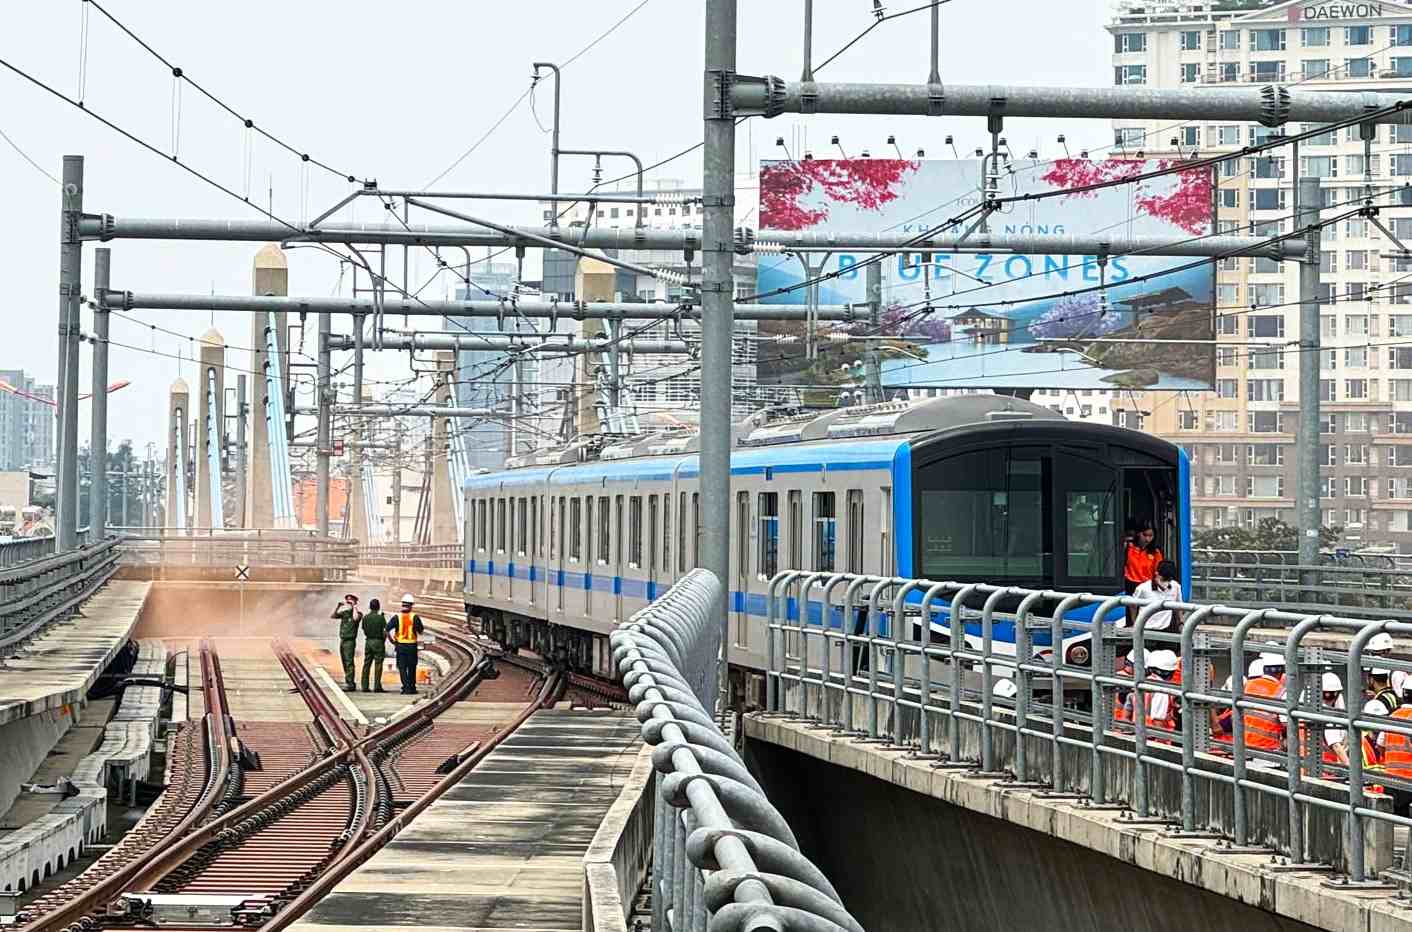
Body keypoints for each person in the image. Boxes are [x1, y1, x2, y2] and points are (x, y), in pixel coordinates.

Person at [1122, 519, 1162, 623]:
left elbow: (1158, 571)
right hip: (1130, 585)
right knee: (1130, 615)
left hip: (1146, 587)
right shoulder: (1128, 547)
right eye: (1145, 535)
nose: (1148, 539)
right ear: (1138, 534)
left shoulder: (1155, 552)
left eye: (1151, 536)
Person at [388, 592, 425, 695]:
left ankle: (405, 688)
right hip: (412, 646)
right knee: (412, 667)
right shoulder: (415, 617)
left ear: (402, 604)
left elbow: (386, 629)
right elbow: (421, 631)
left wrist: (392, 641)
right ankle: (412, 688)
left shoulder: (397, 617)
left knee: (402, 667)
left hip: (400, 646)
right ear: (411, 605)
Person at [1132, 560, 1183, 633]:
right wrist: (1135, 624)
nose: (1166, 583)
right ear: (1157, 574)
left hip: (1167, 628)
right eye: (1164, 579)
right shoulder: (1143, 588)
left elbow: (1179, 606)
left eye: (1169, 580)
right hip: (1146, 628)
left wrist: (1181, 623)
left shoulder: (1175, 586)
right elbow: (1133, 605)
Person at [331, 593, 362, 691]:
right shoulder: (345, 613)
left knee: (349, 662)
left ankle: (351, 683)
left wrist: (354, 606)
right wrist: (338, 607)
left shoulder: (358, 613)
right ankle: (348, 681)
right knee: (344, 661)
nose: (348, 602)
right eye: (347, 600)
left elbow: (355, 618)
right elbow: (333, 616)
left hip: (350, 641)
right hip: (343, 640)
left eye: (350, 600)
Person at [360, 598, 388, 693]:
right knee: (378, 665)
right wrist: (383, 640)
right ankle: (377, 686)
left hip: (368, 642)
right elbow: (385, 631)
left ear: (370, 607)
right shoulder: (381, 618)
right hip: (378, 642)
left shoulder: (365, 617)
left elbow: (364, 629)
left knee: (366, 664)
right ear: (378, 607)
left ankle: (364, 686)